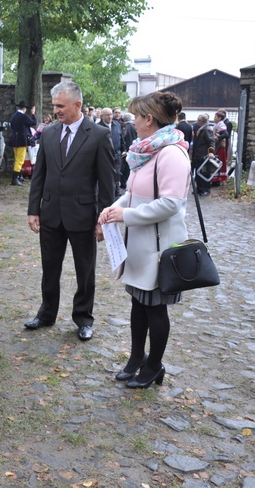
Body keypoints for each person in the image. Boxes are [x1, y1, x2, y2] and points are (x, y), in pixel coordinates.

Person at [98, 91, 191, 389]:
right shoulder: (147, 150)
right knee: (138, 304)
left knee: (154, 308)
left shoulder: (172, 154)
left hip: (159, 247)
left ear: (149, 119)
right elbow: (135, 190)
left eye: (136, 116)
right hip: (140, 242)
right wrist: (117, 205)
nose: (133, 121)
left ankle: (154, 365)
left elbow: (170, 204)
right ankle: (137, 357)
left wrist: (125, 215)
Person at [25, 81, 116, 341]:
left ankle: (84, 318)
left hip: (83, 216)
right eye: (54, 106)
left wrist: (104, 219)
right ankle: (46, 313)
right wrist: (34, 209)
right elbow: (39, 174)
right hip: (51, 213)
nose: (56, 111)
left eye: (60, 106)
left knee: (85, 271)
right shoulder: (50, 133)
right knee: (49, 267)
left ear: (77, 105)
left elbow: (107, 182)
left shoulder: (99, 135)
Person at [98, 107, 126, 195]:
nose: (110, 117)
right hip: (104, 157)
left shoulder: (117, 125)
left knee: (117, 174)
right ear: (102, 116)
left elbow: (121, 138)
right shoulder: (97, 127)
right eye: (107, 115)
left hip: (117, 155)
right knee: (105, 175)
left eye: (111, 114)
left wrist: (123, 149)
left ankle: (116, 192)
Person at [9, 101, 37, 186]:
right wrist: (33, 113)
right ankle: (15, 179)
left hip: (14, 140)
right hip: (21, 140)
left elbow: (12, 127)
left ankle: (19, 176)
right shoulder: (23, 116)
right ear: (24, 108)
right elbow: (33, 122)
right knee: (20, 160)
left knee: (17, 159)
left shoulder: (13, 116)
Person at [191, 113, 215, 196]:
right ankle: (199, 189)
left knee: (204, 172)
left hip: (203, 155)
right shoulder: (202, 129)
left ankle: (205, 189)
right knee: (198, 173)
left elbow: (211, 141)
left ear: (201, 121)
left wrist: (211, 151)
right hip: (198, 154)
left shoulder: (207, 129)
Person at [121, 113, 138, 187]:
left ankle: (124, 183)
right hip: (133, 148)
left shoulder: (125, 127)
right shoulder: (134, 126)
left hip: (126, 149)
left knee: (125, 168)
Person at [213, 110, 230, 183]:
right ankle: (216, 179)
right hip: (217, 146)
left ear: (219, 118)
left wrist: (218, 137)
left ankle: (218, 179)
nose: (214, 118)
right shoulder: (217, 124)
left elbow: (226, 134)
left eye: (215, 117)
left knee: (218, 162)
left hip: (220, 147)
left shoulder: (221, 125)